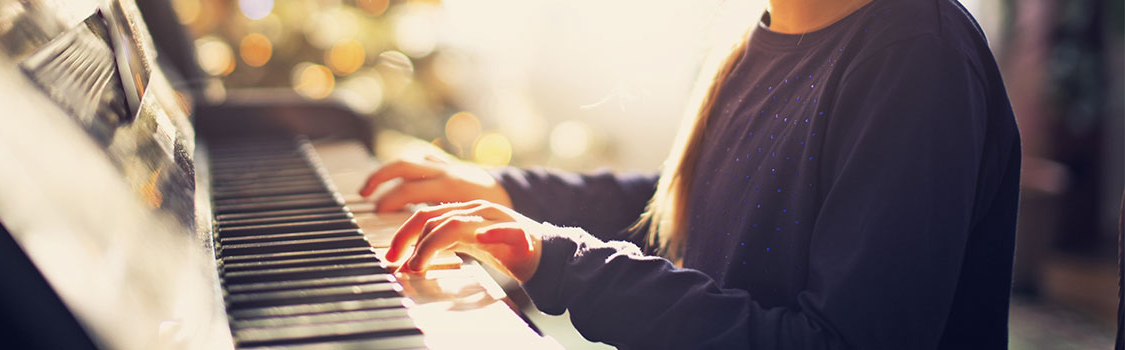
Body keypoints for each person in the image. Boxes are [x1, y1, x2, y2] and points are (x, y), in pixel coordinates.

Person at [360, 0, 1021, 348]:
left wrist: (558, 260)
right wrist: (508, 193)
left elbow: (835, 343)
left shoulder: (916, 57)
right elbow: (705, 203)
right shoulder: (758, 31)